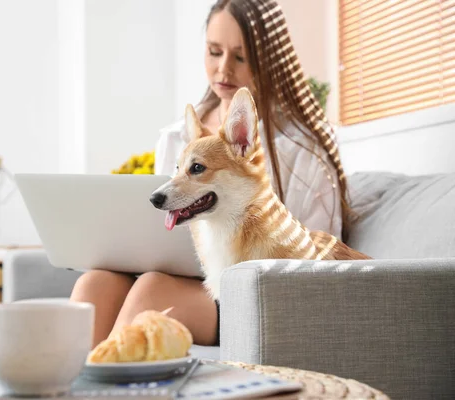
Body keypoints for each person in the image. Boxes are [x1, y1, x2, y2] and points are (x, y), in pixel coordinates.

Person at [70, 0, 351, 349]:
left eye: (240, 56)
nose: (223, 70)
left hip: (250, 291)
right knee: (94, 284)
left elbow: (317, 266)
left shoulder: (302, 151)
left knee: (152, 291)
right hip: (180, 275)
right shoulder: (177, 137)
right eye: (214, 52)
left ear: (269, 62)